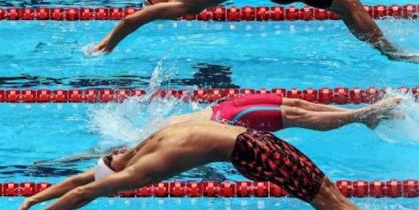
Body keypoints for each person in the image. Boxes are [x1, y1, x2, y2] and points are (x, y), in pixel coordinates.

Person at [10, 121, 396, 210]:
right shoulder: (142, 145)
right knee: (325, 192)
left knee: (324, 200)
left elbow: (85, 191)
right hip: (258, 141)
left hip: (254, 153)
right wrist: (33, 199)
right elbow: (89, 178)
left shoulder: (147, 168)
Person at [90, 0, 419, 61]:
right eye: (149, 0)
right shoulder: (182, 3)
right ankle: (389, 51)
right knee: (348, 3)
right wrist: (108, 42)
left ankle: (384, 46)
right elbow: (134, 20)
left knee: (349, 4)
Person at [169, 93, 403, 132]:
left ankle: (363, 115)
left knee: (295, 104)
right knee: (294, 116)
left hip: (220, 108)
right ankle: (363, 115)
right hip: (224, 119)